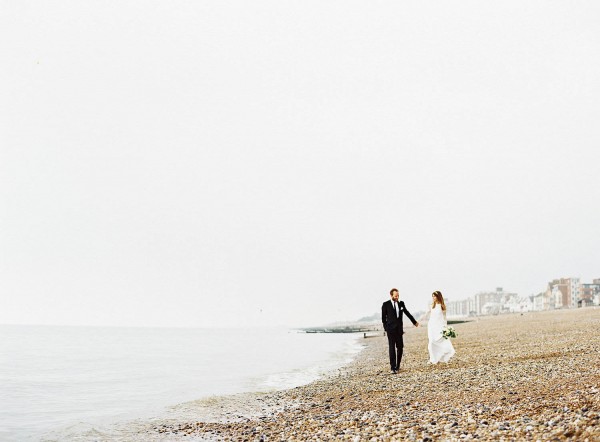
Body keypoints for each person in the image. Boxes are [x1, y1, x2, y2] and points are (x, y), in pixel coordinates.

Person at [381, 288, 419, 374]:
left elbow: (407, 312)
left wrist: (414, 322)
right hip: (390, 330)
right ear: (391, 295)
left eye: (398, 295)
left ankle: (397, 366)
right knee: (392, 348)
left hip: (399, 330)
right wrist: (386, 328)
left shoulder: (401, 303)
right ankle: (392, 367)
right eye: (395, 296)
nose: (397, 297)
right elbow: (383, 318)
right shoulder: (385, 304)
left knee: (400, 347)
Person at [427, 290, 455, 364]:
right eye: (432, 296)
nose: (433, 298)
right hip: (431, 326)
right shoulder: (431, 305)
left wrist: (445, 327)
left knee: (441, 341)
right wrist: (417, 321)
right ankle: (432, 359)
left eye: (434, 296)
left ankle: (441, 356)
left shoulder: (442, 306)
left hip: (439, 326)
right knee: (431, 342)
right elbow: (426, 314)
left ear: (438, 296)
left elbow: (445, 317)